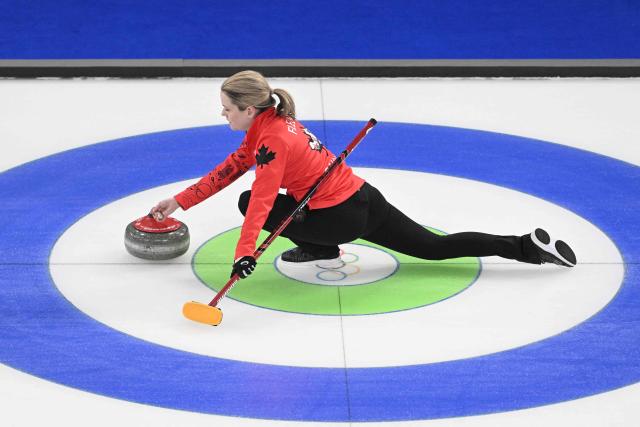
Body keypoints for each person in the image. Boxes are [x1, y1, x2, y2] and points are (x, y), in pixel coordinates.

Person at [151, 70, 576, 280]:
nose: (222, 113)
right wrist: (180, 201)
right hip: (363, 198)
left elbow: (262, 198)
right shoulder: (269, 126)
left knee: (250, 206)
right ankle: (526, 247)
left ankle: (323, 247)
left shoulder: (273, 140)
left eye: (227, 108)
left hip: (340, 215)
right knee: (433, 248)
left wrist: (245, 252)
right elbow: (228, 171)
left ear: (248, 109)